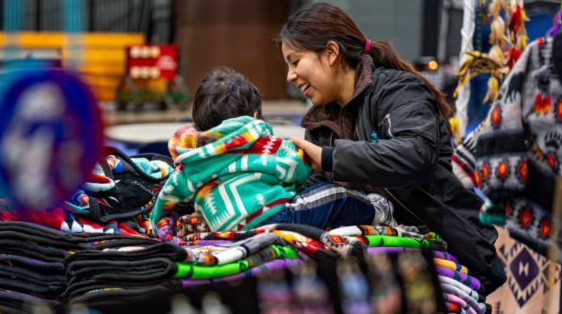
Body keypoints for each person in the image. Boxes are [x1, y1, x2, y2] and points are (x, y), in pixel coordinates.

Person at [279, 2, 507, 295]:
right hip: (375, 270)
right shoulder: (321, 125)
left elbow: (415, 154)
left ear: (331, 53)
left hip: (445, 255)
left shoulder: (398, 91)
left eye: (295, 61)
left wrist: (329, 159)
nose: (290, 76)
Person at [149, 66, 395, 233]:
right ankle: (377, 211)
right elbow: (296, 170)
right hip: (274, 218)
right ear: (255, 116)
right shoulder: (264, 144)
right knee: (333, 195)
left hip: (222, 225)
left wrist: (157, 221)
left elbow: (168, 194)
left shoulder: (190, 158)